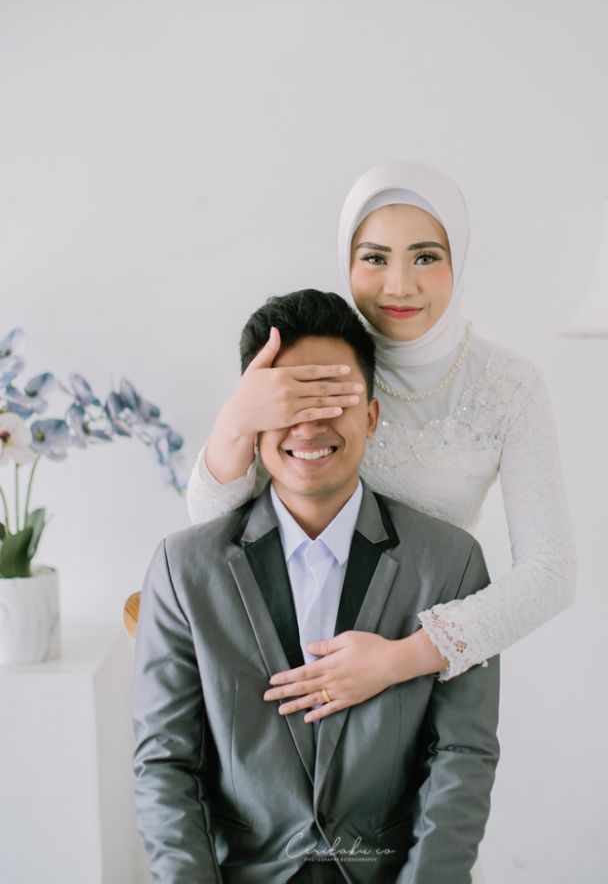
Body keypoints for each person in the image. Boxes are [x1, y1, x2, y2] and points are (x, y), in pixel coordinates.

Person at [185, 162, 576, 723]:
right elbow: (211, 526)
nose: (398, 285)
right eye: (374, 258)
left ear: (459, 258)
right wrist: (236, 419)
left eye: (426, 257)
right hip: (286, 645)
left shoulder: (510, 387)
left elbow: (551, 574)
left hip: (419, 667)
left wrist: (398, 659)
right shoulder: (315, 352)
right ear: (347, 261)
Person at [132, 289, 500, 884]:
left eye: (333, 398)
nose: (310, 424)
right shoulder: (184, 568)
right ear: (253, 419)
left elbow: (462, 756)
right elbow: (165, 766)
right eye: (288, 400)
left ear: (371, 417)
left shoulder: (450, 564)